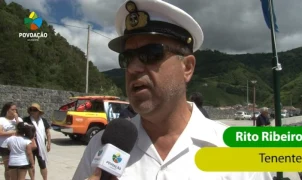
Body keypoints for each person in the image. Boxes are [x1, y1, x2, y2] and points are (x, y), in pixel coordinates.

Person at [73, 0, 274, 179]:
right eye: (127, 58)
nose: (133, 68)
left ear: (187, 68)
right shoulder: (101, 146)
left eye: (151, 54)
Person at [23, 103, 51, 180]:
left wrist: (49, 144)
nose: (33, 111)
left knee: (43, 164)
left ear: (39, 111)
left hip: (41, 147)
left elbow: (48, 132)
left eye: (35, 110)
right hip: (30, 146)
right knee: (31, 165)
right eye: (31, 110)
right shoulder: (26, 120)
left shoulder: (43, 121)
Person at [0, 102, 23, 180]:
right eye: (12, 109)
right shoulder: (1, 120)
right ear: (7, 110)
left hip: (17, 146)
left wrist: (16, 119)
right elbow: (1, 133)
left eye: (15, 109)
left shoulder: (19, 119)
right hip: (5, 146)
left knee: (17, 167)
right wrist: (14, 132)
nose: (14, 111)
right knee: (8, 167)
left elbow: (22, 131)